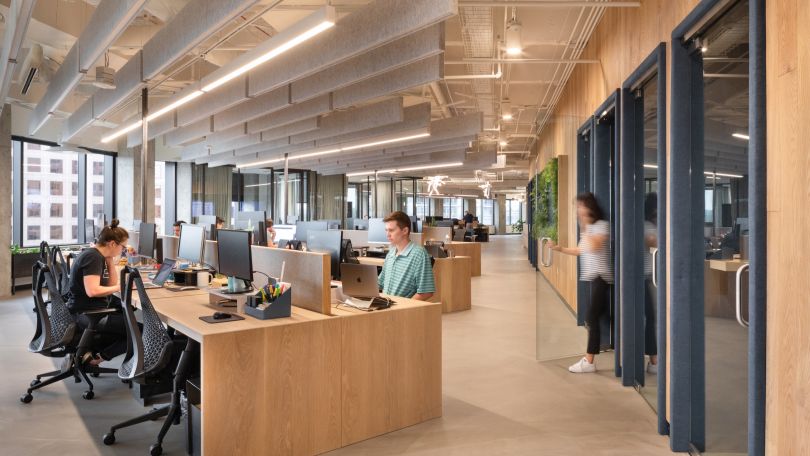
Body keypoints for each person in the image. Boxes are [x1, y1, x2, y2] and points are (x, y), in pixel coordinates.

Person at [548, 192, 613, 373]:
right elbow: (580, 250)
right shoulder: (590, 228)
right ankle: (623, 348)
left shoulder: (601, 226)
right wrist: (559, 249)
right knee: (605, 318)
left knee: (592, 318)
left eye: (580, 206)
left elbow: (594, 246)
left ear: (589, 206)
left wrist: (585, 225)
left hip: (602, 277)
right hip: (593, 278)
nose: (577, 210)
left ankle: (589, 360)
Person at [67, 219, 130, 366]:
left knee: (133, 326)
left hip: (89, 311)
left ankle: (95, 355)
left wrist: (109, 260)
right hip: (88, 315)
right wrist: (121, 288)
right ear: (113, 244)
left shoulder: (97, 255)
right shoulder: (92, 257)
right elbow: (93, 291)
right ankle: (96, 359)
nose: (123, 250)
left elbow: (112, 283)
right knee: (141, 332)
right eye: (123, 247)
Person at [378, 211, 435, 301]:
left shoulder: (419, 254)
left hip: (402, 310)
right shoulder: (391, 253)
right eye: (386, 230)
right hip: (385, 306)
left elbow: (426, 292)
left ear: (405, 231)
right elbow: (380, 283)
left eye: (391, 230)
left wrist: (404, 307)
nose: (387, 234)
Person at [643, 193, 658, 374]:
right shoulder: (647, 226)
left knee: (650, 319)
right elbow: (652, 241)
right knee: (650, 319)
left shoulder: (650, 225)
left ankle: (653, 361)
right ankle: (653, 361)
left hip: (646, 278)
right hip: (641, 278)